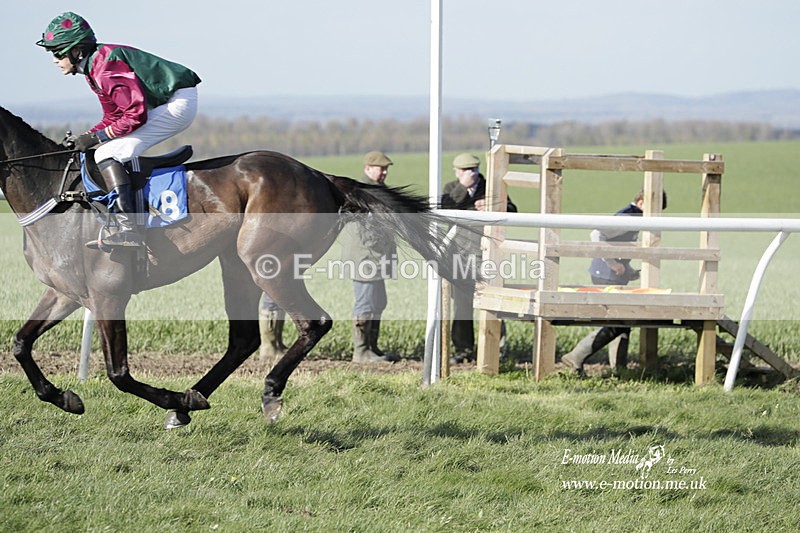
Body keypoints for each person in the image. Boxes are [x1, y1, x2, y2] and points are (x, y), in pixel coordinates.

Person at [36, 12, 201, 248]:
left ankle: (129, 230)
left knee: (106, 153)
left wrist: (96, 138)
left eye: (58, 52)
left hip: (177, 104)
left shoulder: (105, 67)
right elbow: (114, 116)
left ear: (77, 51)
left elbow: (136, 115)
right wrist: (87, 137)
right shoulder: (94, 67)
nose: (55, 59)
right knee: (103, 149)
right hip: (169, 102)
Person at [561, 189, 668, 375]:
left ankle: (618, 368)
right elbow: (596, 234)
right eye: (654, 209)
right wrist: (611, 263)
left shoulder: (633, 216)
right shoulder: (629, 217)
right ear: (641, 202)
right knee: (619, 320)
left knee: (622, 320)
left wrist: (628, 269)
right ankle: (577, 355)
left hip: (610, 273)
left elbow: (618, 244)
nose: (655, 215)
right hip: (605, 273)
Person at [440, 153, 518, 363]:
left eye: (473, 169)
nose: (471, 174)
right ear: (457, 172)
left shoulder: (491, 187)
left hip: (487, 254)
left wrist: (494, 208)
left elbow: (513, 211)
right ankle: (463, 350)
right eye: (466, 170)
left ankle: (496, 349)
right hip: (460, 257)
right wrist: (463, 189)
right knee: (462, 306)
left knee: (493, 302)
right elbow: (445, 210)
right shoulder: (451, 189)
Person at [339, 151, 401, 363]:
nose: (384, 172)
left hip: (376, 255)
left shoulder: (377, 191)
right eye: (380, 168)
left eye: (386, 169)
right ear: (367, 168)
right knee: (366, 302)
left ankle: (372, 347)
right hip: (365, 255)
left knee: (378, 301)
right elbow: (367, 229)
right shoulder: (362, 191)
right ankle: (361, 351)